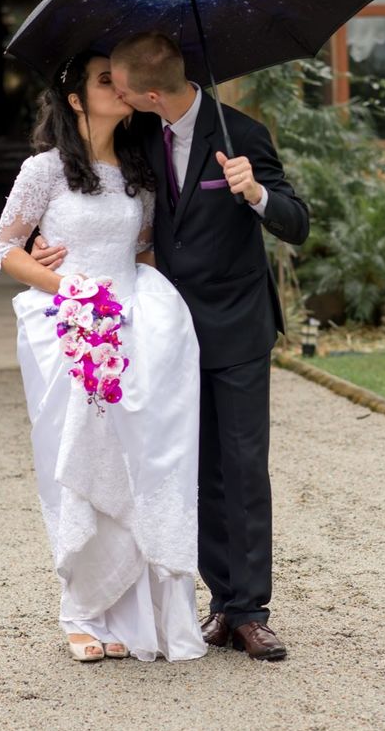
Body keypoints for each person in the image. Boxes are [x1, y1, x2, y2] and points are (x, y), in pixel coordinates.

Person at [33, 33, 309, 661]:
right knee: (191, 467)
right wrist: (50, 248)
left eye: (124, 88)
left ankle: (250, 611)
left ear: (151, 93)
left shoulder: (243, 134)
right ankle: (220, 603)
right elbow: (108, 207)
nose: (120, 97)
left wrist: (256, 193)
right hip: (162, 332)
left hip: (237, 326)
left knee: (242, 466)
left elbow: (297, 221)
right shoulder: (139, 138)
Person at [0, 51, 206, 664]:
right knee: (82, 455)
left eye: (123, 79)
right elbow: (5, 249)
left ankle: (139, 611)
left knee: (142, 460)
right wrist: (70, 289)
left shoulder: (141, 171)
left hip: (136, 326)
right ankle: (81, 610)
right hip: (70, 326)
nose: (121, 87)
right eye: (105, 80)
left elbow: (143, 251)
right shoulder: (44, 171)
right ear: (76, 99)